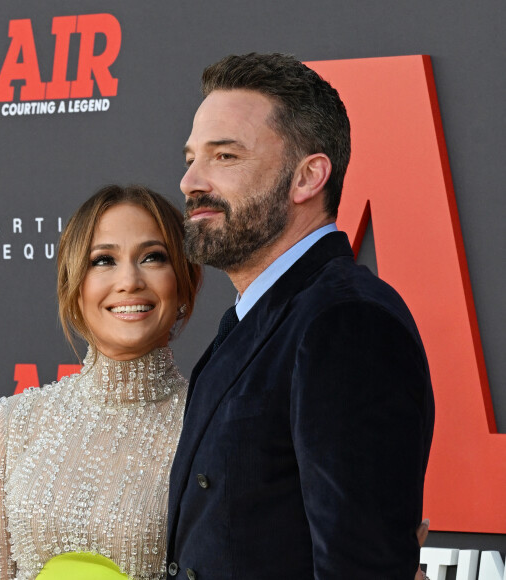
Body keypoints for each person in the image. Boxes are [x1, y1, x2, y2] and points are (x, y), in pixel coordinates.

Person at [166, 52, 435, 579]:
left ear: (307, 177)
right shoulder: (257, 318)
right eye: (191, 157)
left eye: (225, 157)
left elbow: (359, 568)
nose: (190, 181)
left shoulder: (347, 323)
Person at [0, 184, 202, 580]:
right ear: (74, 288)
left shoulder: (208, 425)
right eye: (104, 260)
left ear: (183, 283)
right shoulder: (11, 424)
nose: (129, 280)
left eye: (153, 257)